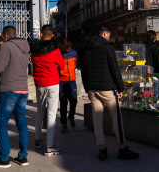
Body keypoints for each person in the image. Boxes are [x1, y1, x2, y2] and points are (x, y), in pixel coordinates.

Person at [82, 25, 139, 161]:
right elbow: (114, 69)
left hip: (92, 88)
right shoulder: (107, 47)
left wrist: (87, 88)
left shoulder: (85, 49)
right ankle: (122, 148)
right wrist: (120, 88)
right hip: (107, 87)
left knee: (97, 119)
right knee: (116, 117)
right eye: (109, 35)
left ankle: (102, 149)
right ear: (106, 35)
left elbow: (83, 70)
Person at [0, 26, 31, 168]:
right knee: (22, 123)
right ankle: (23, 157)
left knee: (1, 123)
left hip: (9, 89)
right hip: (23, 89)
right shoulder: (25, 46)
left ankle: (4, 158)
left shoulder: (6, 46)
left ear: (5, 36)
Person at [31, 24, 64, 156]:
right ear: (53, 36)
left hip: (39, 83)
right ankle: (50, 146)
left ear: (41, 34)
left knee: (39, 111)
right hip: (52, 83)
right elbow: (61, 65)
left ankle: (37, 140)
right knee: (51, 114)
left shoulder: (35, 49)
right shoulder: (54, 50)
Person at [58, 37, 79, 134]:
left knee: (74, 100)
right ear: (61, 45)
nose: (68, 48)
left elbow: (76, 64)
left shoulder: (74, 53)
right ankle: (64, 124)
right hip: (61, 82)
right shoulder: (57, 54)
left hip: (72, 82)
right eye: (66, 46)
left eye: (69, 46)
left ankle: (71, 116)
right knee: (63, 103)